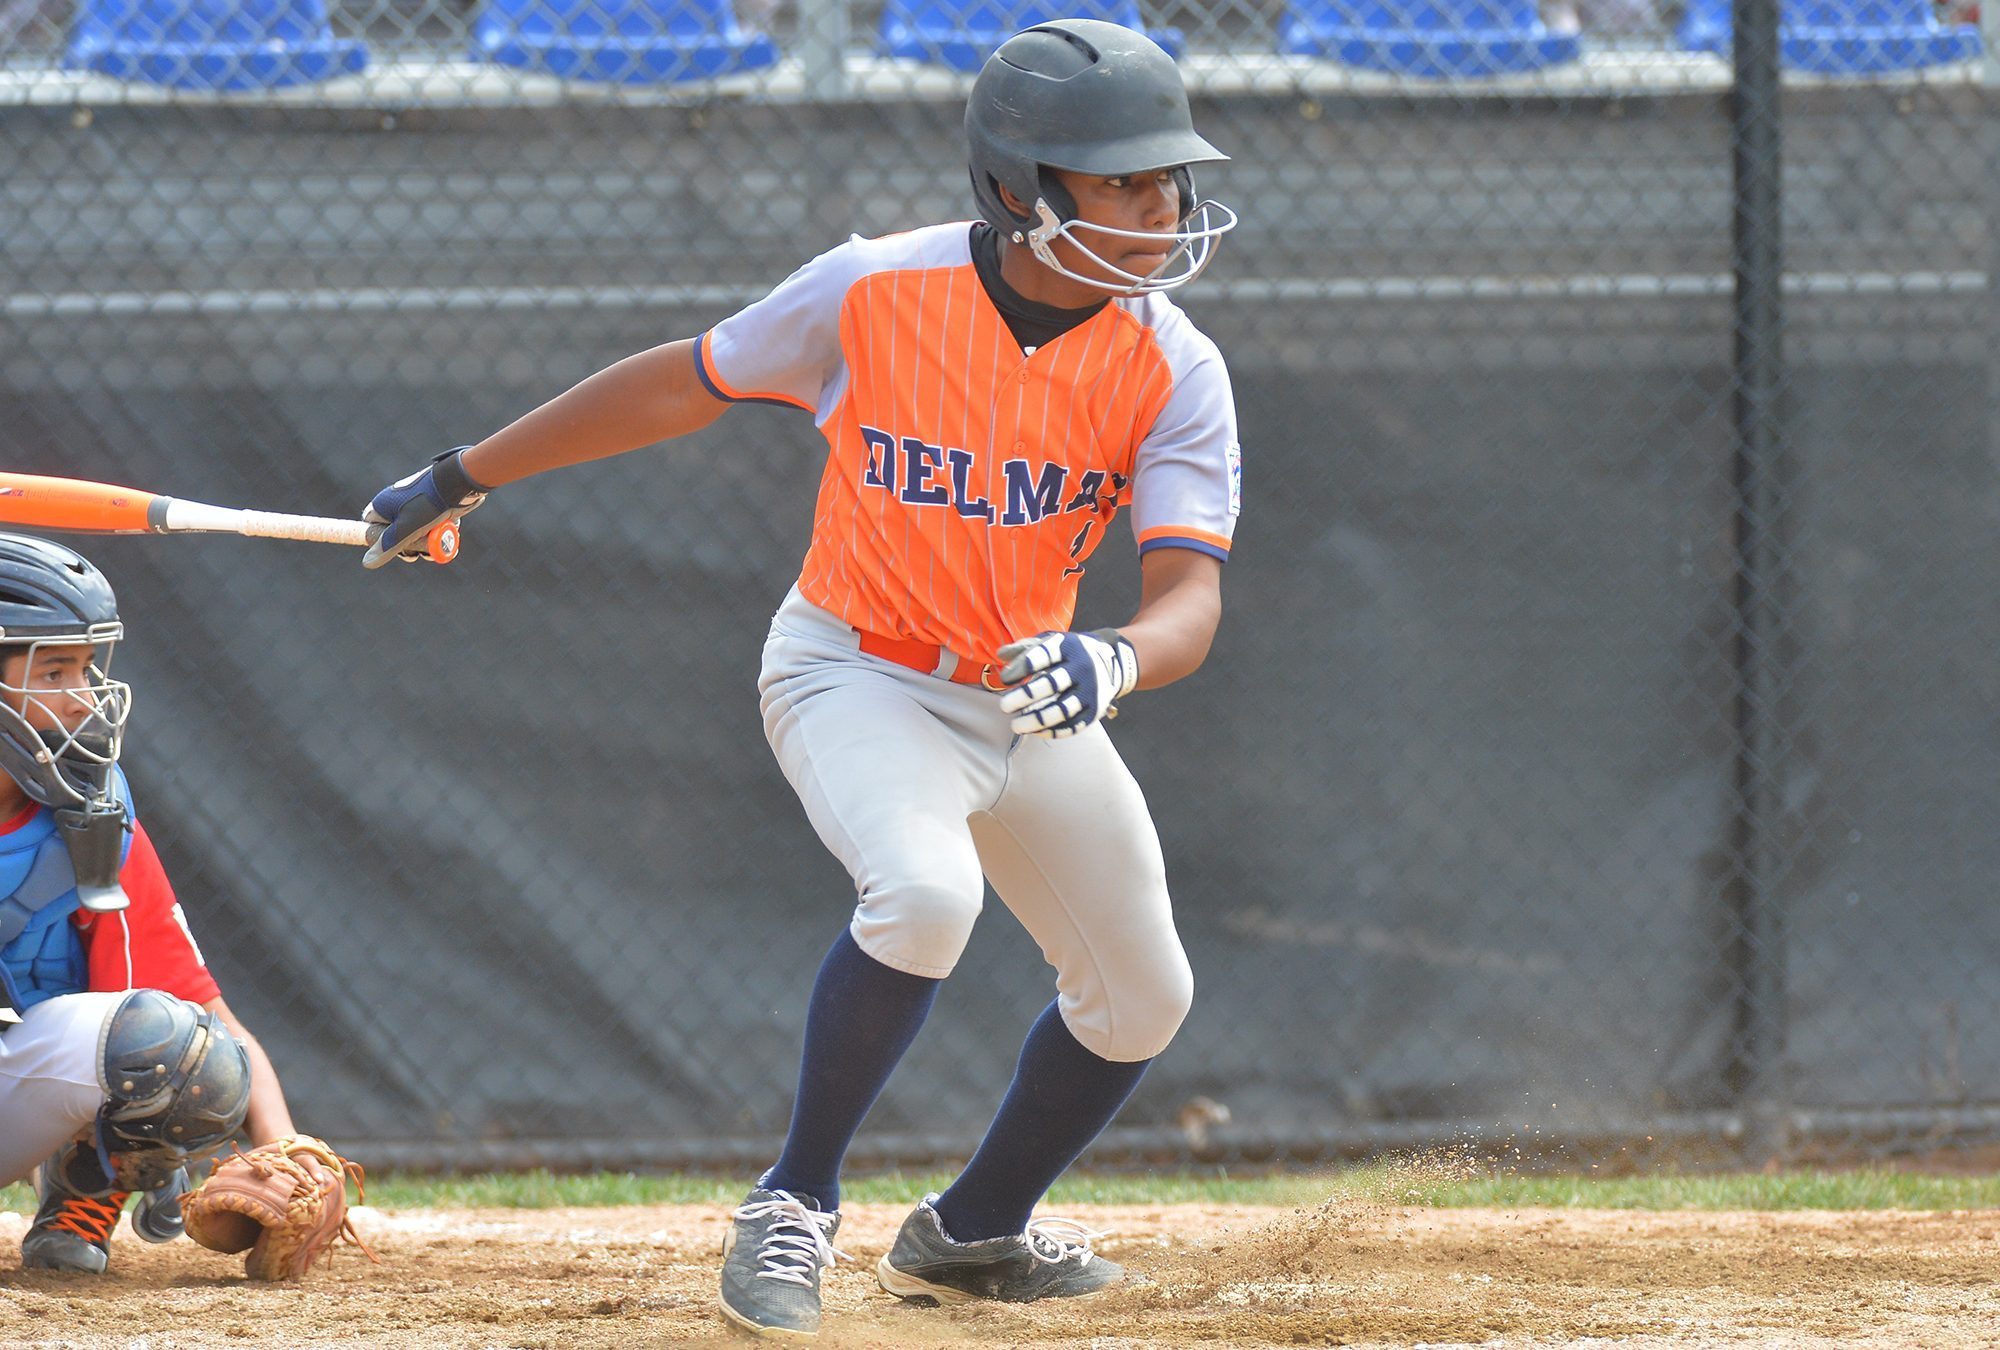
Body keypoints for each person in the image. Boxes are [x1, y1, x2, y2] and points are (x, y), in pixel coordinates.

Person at [361, 17, 1241, 1339]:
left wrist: (1109, 654)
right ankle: (795, 1201)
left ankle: (975, 1230)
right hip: (856, 667)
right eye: (1120, 179)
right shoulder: (876, 286)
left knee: (1143, 992)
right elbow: (683, 384)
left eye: (1167, 177)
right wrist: (463, 472)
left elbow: (1190, 600)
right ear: (1017, 189)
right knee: (926, 890)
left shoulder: (1173, 362)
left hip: (1028, 687)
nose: (1159, 207)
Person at [0, 533, 302, 1275]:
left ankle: (83, 1191)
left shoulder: (87, 818)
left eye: (85, 668)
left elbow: (209, 1023)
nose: (81, 697)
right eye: (53, 671)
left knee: (176, 1046)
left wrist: (286, 1156)